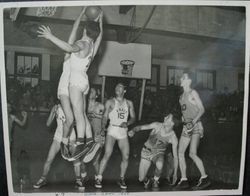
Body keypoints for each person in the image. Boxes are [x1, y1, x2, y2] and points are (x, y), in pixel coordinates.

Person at [37, 7, 103, 160]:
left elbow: (70, 43)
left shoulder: (74, 51)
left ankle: (75, 142)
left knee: (76, 118)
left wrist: (50, 36)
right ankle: (79, 141)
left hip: (73, 84)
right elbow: (76, 32)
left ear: (85, 32)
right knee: (75, 118)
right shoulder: (88, 48)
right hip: (70, 86)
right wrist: (87, 17)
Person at [33, 103, 85, 190]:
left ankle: (78, 180)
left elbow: (72, 124)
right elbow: (48, 124)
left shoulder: (73, 107)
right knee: (49, 159)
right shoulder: (56, 107)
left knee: (76, 159)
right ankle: (43, 179)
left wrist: (67, 141)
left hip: (70, 138)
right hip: (58, 137)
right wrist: (52, 112)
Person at [95, 83, 136, 189]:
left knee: (126, 156)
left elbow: (133, 118)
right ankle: (99, 177)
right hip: (112, 129)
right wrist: (103, 127)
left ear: (125, 90)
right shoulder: (110, 102)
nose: (117, 88)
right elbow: (104, 117)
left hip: (123, 131)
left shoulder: (129, 103)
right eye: (116, 86)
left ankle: (121, 178)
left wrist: (127, 123)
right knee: (107, 153)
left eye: (120, 87)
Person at [176, 72, 211, 190]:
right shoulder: (181, 97)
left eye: (183, 77)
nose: (181, 78)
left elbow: (202, 109)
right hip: (187, 126)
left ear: (189, 81)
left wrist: (194, 122)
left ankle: (199, 178)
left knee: (186, 153)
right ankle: (188, 179)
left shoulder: (193, 93)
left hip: (194, 125)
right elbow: (185, 112)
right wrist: (183, 118)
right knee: (186, 153)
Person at [128, 113, 178, 190]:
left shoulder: (173, 137)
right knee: (141, 178)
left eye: (168, 117)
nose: (165, 117)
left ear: (172, 123)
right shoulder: (157, 125)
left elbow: (176, 157)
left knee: (160, 164)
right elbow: (141, 127)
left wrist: (175, 173)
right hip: (146, 151)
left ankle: (155, 180)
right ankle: (147, 181)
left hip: (158, 154)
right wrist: (133, 130)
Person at [79, 87, 105, 184]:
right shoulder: (83, 106)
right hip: (87, 138)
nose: (90, 92)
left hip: (98, 137)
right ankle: (84, 176)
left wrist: (103, 130)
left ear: (96, 95)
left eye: (93, 91)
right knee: (80, 159)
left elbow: (105, 120)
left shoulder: (101, 106)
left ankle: (98, 178)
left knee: (95, 162)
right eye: (89, 91)